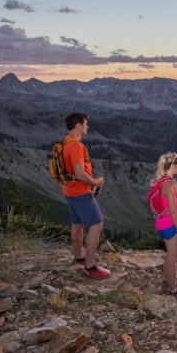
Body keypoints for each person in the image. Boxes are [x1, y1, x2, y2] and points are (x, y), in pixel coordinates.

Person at [62, 112, 110, 280]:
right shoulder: (75, 145)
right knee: (97, 225)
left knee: (77, 224)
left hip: (70, 191)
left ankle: (78, 257)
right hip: (81, 192)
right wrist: (95, 183)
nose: (87, 127)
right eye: (85, 124)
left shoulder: (66, 141)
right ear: (78, 126)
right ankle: (90, 266)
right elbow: (80, 173)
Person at [152, 152, 177, 298]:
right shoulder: (171, 185)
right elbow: (174, 211)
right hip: (171, 225)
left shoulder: (160, 181)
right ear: (174, 166)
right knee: (173, 258)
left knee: (169, 256)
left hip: (161, 223)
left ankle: (166, 281)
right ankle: (173, 289)